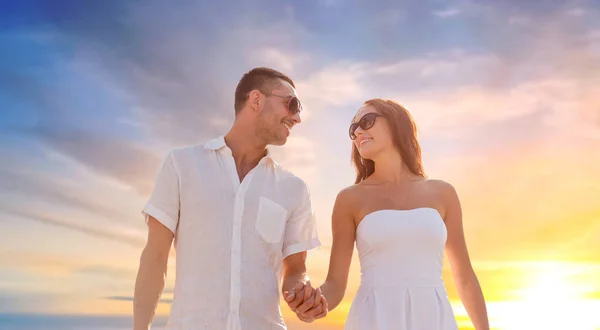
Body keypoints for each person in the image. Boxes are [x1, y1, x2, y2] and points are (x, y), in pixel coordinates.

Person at [133, 67, 327, 330]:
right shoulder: (182, 164)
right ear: (256, 100)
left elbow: (295, 270)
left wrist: (304, 297)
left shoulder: (294, 188)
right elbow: (155, 258)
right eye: (292, 105)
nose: (298, 118)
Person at [287, 98, 490, 329]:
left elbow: (464, 277)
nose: (358, 132)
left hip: (433, 317)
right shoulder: (350, 199)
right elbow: (335, 284)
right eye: (353, 129)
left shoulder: (443, 193)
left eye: (367, 121)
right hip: (373, 318)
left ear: (396, 124)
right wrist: (311, 307)